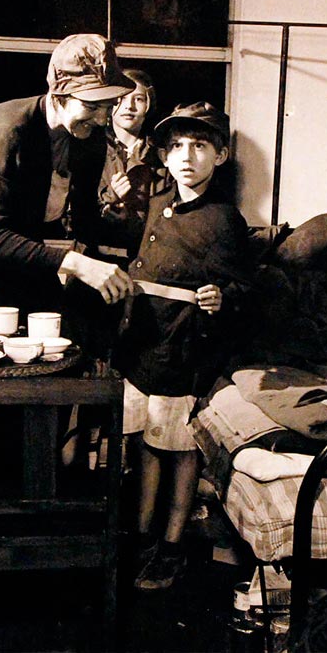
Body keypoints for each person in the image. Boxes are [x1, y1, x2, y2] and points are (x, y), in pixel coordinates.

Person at [113, 102, 253, 591]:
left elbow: (246, 290)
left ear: (220, 154)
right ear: (165, 157)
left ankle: (172, 547)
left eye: (199, 145)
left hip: (182, 349)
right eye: (176, 146)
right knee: (146, 446)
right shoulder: (156, 203)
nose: (186, 156)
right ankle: (144, 536)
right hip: (142, 345)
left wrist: (222, 297)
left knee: (177, 449)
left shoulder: (225, 220)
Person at [0, 33, 136, 327]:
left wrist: (143, 242)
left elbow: (84, 220)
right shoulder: (9, 133)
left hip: (15, 228)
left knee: (48, 319)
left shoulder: (90, 137)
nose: (100, 119)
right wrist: (76, 264)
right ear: (59, 95)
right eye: (92, 106)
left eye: (108, 107)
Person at [97, 69, 168, 261]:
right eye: (122, 97)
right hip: (94, 260)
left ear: (148, 105)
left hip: (145, 260)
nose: (129, 106)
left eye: (138, 99)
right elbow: (70, 219)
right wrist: (109, 200)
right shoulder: (91, 151)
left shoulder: (163, 157)